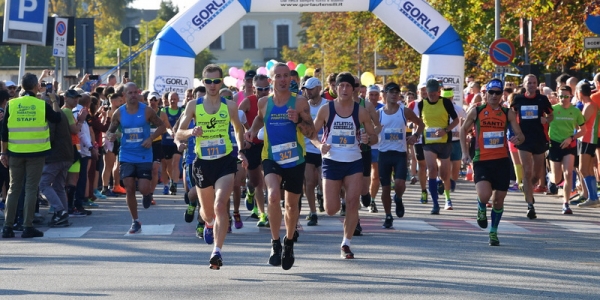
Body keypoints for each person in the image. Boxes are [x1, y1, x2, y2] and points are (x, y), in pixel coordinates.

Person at [176, 64, 247, 270]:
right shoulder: (193, 106)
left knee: (219, 205)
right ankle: (208, 224)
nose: (213, 85)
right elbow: (178, 133)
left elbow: (238, 130)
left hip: (224, 161)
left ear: (221, 81)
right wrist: (191, 132)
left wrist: (241, 150)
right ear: (203, 82)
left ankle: (217, 251)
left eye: (216, 81)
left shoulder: (230, 106)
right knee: (208, 213)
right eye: (208, 81)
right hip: (202, 163)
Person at [245, 62, 316, 270]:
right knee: (274, 195)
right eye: (279, 76)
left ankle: (289, 241)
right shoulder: (264, 103)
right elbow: (259, 119)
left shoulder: (300, 102)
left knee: (292, 206)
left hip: (295, 159)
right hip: (272, 157)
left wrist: (298, 122)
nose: (284, 80)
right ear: (271, 80)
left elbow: (311, 132)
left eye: (287, 76)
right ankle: (275, 243)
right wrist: (251, 130)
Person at [311, 72, 378, 259]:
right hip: (332, 161)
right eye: (342, 86)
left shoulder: (361, 111)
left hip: (354, 161)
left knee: (353, 202)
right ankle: (340, 203)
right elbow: (312, 133)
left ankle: (346, 243)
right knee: (331, 209)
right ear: (336, 88)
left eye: (349, 86)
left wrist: (367, 138)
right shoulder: (326, 109)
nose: (345, 89)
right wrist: (319, 145)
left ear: (354, 89)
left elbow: (374, 137)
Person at [460, 78, 525, 246]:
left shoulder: (507, 112)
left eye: (498, 93)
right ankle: (481, 208)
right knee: (484, 195)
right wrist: (465, 153)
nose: (494, 96)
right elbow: (462, 130)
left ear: (502, 94)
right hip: (482, 160)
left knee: (498, 200)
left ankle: (493, 232)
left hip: (502, 160)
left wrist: (518, 139)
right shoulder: (477, 111)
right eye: (491, 92)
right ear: (485, 94)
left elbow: (520, 135)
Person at [1, 73, 62, 238]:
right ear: (36, 87)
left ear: (22, 86)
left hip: (15, 153)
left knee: (13, 189)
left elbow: (4, 132)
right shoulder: (41, 104)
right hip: (36, 153)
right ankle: (27, 226)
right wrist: (54, 98)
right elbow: (57, 118)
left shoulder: (12, 104)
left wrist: (3, 152)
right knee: (30, 189)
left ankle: (8, 226)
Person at [105, 82, 166, 234]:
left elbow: (162, 126)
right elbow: (109, 132)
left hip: (144, 154)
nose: (133, 95)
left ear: (138, 93)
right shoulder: (118, 113)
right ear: (124, 96)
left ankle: (147, 194)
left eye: (135, 92)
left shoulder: (147, 111)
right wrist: (111, 136)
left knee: (144, 187)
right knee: (129, 187)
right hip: (126, 154)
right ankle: (135, 220)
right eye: (130, 93)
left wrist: (151, 138)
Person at [377, 82, 423, 228]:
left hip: (400, 153)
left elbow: (420, 124)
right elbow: (371, 130)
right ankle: (388, 215)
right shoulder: (379, 113)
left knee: (399, 183)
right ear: (384, 94)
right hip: (383, 153)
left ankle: (398, 197)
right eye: (391, 92)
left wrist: (415, 136)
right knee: (384, 188)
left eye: (397, 92)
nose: (394, 95)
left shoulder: (404, 111)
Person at [510, 74, 553, 218]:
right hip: (524, 139)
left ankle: (528, 189)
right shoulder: (518, 99)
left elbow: (551, 116)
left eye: (534, 83)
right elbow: (511, 117)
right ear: (524, 84)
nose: (532, 85)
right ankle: (530, 205)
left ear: (537, 84)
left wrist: (546, 120)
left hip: (539, 139)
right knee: (527, 172)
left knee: (536, 174)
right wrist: (514, 133)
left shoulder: (542, 99)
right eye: (529, 82)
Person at [418, 79, 459, 214]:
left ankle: (447, 196)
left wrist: (446, 130)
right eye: (429, 94)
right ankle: (435, 204)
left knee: (444, 174)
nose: (432, 96)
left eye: (434, 93)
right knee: (432, 169)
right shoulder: (421, 104)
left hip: (444, 142)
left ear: (438, 91)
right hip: (428, 143)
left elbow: (456, 120)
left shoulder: (445, 102)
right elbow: (419, 122)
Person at [238, 74, 271, 226]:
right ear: (253, 88)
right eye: (259, 89)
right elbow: (236, 119)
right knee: (256, 181)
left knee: (270, 180)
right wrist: (245, 137)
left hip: (269, 144)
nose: (263, 92)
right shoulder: (248, 101)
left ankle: (264, 215)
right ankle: (250, 192)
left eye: (266, 89)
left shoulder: (273, 101)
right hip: (253, 145)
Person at [546, 86, 584, 214]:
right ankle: (550, 178)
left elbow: (583, 130)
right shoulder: (552, 110)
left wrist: (571, 138)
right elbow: (545, 122)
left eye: (566, 96)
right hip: (555, 145)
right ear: (557, 96)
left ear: (571, 96)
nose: (563, 99)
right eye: (561, 96)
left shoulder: (576, 111)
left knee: (568, 173)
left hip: (569, 145)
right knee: (557, 179)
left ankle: (566, 204)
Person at [302, 77, 328, 226]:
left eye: (311, 89)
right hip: (308, 148)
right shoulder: (304, 106)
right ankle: (313, 213)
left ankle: (326, 197)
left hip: (324, 148)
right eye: (306, 88)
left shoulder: (327, 105)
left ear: (319, 88)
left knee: (323, 182)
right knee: (310, 182)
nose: (308, 91)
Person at [575, 81, 600, 208]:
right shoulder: (588, 105)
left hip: (587, 139)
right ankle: (593, 197)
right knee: (588, 169)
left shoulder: (590, 105)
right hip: (585, 139)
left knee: (583, 169)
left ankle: (593, 197)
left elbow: (581, 123)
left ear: (580, 93)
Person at [160, 92, 180, 195]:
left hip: (177, 142)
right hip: (165, 141)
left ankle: (174, 184)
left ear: (178, 99)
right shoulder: (164, 111)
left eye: (175, 99)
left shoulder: (182, 111)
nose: (173, 101)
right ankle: (166, 184)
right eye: (171, 99)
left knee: (175, 162)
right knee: (166, 165)